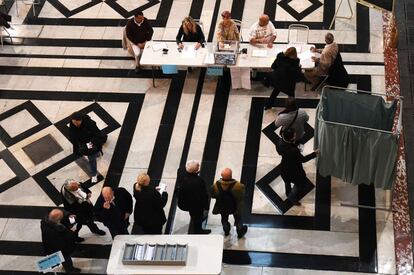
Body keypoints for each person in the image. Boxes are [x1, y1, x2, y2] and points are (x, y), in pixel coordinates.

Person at [275, 128, 319, 206]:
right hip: (294, 171)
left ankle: (288, 193)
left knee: (287, 181)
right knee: (300, 185)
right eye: (294, 135)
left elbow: (280, 152)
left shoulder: (279, 142)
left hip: (284, 168)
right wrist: (314, 154)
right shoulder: (294, 150)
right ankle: (291, 197)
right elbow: (303, 159)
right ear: (291, 138)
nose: (295, 136)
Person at [69, 111, 107, 184]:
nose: (74, 124)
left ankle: (94, 174)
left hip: (91, 145)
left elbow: (97, 134)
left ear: (80, 120)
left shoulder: (89, 123)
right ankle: (97, 154)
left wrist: (91, 143)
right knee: (93, 155)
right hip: (82, 145)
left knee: (92, 160)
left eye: (76, 123)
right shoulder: (72, 123)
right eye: (73, 122)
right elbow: (72, 134)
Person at [211, 168, 248, 238]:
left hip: (222, 206)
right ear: (231, 175)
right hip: (235, 207)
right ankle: (240, 231)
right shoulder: (239, 186)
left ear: (221, 175)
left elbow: (213, 195)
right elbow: (241, 196)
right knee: (238, 219)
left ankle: (226, 230)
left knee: (224, 219)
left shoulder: (216, 185)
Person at [40, 209, 80, 273]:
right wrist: (72, 231)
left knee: (64, 259)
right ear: (58, 220)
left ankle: (66, 266)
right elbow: (65, 242)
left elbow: (58, 212)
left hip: (50, 246)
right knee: (66, 259)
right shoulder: (57, 231)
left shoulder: (44, 221)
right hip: (60, 249)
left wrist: (68, 215)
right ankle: (70, 270)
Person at [176, 160, 211, 234]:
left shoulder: (180, 171)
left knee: (193, 213)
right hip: (195, 204)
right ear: (196, 171)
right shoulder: (199, 181)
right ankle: (198, 230)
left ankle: (193, 217)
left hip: (184, 201)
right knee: (197, 217)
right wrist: (206, 206)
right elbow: (203, 196)